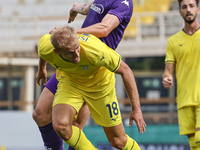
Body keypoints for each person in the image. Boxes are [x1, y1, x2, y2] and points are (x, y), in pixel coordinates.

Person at [32, 0, 134, 150]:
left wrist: (69, 33)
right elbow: (91, 9)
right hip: (70, 65)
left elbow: (104, 28)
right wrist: (78, 8)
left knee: (76, 125)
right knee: (40, 114)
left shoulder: (123, 3)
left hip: (93, 68)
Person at [162, 0, 200, 149]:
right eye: (184, 7)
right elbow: (168, 70)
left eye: (191, 6)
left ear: (197, 9)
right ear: (180, 12)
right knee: (194, 145)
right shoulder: (173, 41)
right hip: (184, 100)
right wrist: (167, 78)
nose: (188, 10)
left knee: (199, 139)